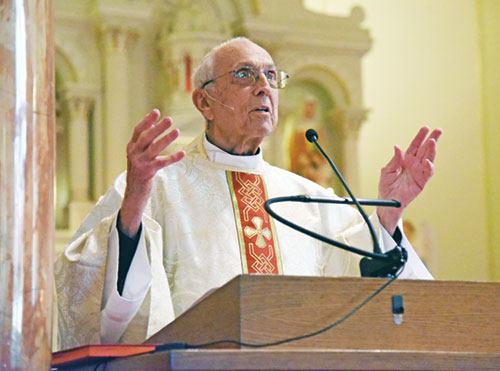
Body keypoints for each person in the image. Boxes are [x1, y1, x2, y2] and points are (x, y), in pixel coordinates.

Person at [55, 37, 442, 350]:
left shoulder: (307, 196)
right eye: (245, 74)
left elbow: (361, 283)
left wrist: (389, 214)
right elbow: (92, 298)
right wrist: (135, 205)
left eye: (272, 76)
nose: (264, 87)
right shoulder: (156, 184)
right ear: (204, 101)